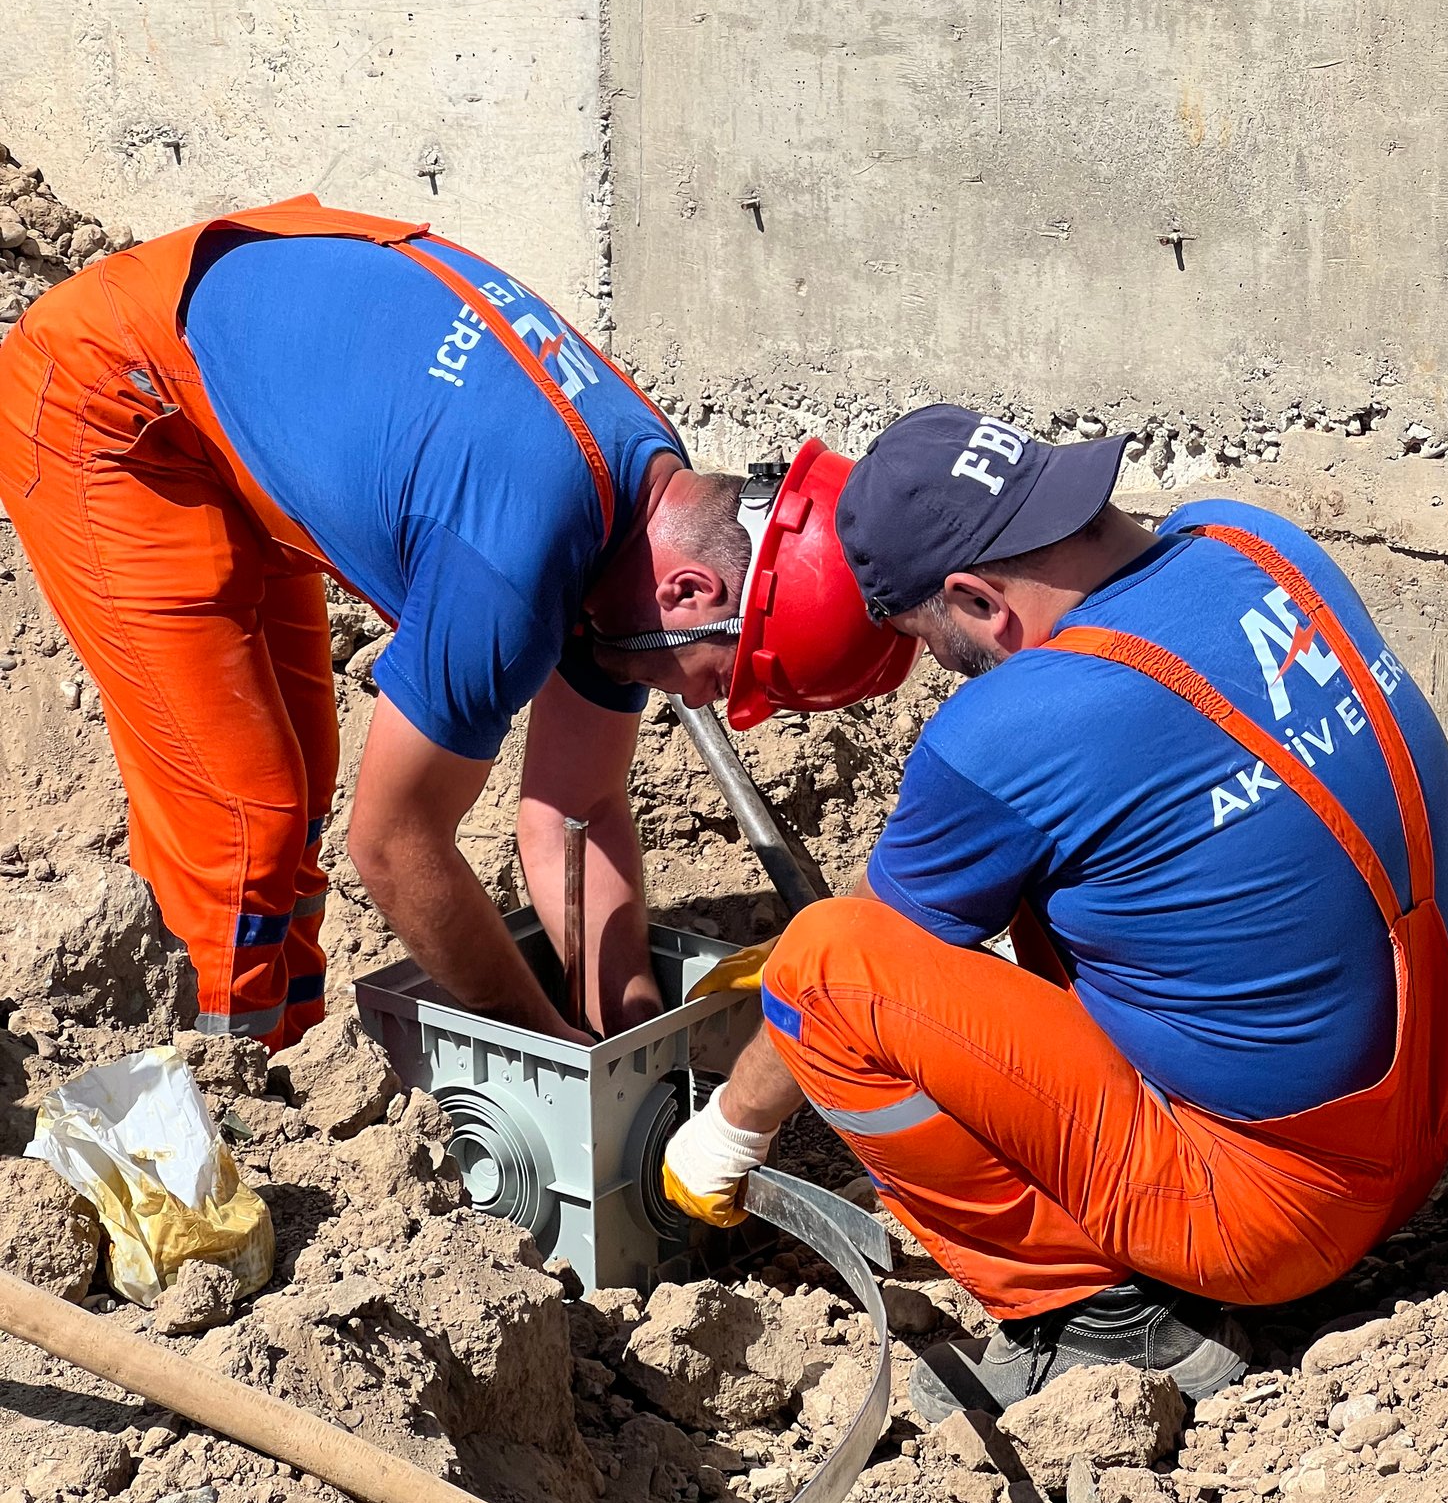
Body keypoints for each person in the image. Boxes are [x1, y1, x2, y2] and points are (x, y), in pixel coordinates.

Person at [661, 404, 1448, 1418]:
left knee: (820, 969)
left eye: (938, 647)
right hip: (1433, 1106)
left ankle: (1095, 1319)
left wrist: (726, 1131)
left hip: (1277, 1222)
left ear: (977, 600)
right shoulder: (1255, 541)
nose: (949, 674)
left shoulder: (1015, 726)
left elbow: (854, 964)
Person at [0, 198, 907, 1052]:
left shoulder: (646, 506)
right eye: (724, 675)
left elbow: (577, 809)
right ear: (692, 590)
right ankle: (225, 1095)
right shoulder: (514, 560)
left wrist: (628, 1029)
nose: (705, 700)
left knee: (301, 785)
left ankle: (292, 1048)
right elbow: (394, 846)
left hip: (245, 373)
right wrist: (544, 1038)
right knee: (246, 818)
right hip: (119, 403)